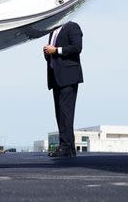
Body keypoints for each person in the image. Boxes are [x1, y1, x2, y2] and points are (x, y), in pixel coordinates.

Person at [43, 21, 83, 158]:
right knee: (60, 113)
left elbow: (77, 47)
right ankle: (68, 147)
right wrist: (47, 52)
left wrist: (56, 50)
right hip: (56, 77)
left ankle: (66, 146)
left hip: (68, 76)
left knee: (66, 113)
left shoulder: (72, 26)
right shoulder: (52, 30)